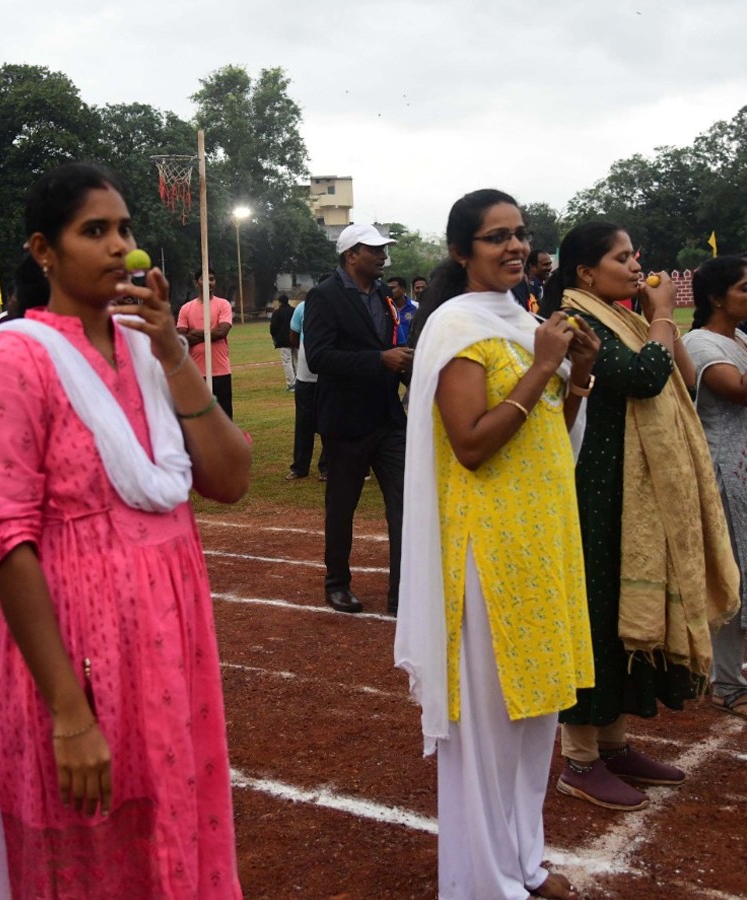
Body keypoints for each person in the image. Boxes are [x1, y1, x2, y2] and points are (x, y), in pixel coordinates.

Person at [0, 162, 250, 898]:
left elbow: (229, 480)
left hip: (170, 640)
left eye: (124, 229)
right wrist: (70, 713)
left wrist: (176, 355)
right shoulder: (13, 360)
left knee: (173, 823)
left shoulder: (147, 350)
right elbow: (7, 543)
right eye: (95, 231)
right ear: (43, 250)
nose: (120, 247)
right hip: (77, 651)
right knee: (88, 847)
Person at [396, 189, 596, 900]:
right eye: (495, 237)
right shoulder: (456, 327)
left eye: (520, 235)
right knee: (487, 728)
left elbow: (552, 439)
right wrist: (544, 366)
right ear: (461, 252)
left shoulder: (525, 321)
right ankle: (485, 881)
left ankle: (524, 862)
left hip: (539, 540)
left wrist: (580, 379)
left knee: (536, 713)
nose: (514, 246)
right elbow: (472, 446)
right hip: (484, 549)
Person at [544, 222, 739, 811]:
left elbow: (674, 376)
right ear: (585, 273)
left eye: (635, 256)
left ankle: (613, 744)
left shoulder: (617, 316)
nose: (636, 266)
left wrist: (657, 320)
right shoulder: (576, 322)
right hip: (594, 489)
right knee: (595, 615)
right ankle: (579, 759)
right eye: (622, 258)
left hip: (629, 491)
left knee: (623, 612)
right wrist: (661, 314)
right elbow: (643, 377)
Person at [303, 223, 410, 615]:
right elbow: (319, 357)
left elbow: (384, 345)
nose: (383, 257)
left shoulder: (383, 294)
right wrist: (378, 360)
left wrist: (401, 360)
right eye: (375, 250)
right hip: (346, 421)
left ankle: (403, 592)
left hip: (387, 417)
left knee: (404, 505)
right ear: (351, 255)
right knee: (342, 506)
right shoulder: (324, 296)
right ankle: (337, 584)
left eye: (384, 250)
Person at [681, 255, 747, 718]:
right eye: (745, 288)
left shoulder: (739, 338)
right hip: (722, 473)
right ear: (717, 298)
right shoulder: (699, 344)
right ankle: (726, 682)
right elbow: (739, 389)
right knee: (731, 576)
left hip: (743, 469)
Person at [176, 269, 234, 418]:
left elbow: (222, 332)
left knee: (224, 416)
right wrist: (209, 334)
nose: (209, 282)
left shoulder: (223, 305)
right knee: (200, 417)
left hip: (220, 371)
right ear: (196, 283)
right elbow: (182, 340)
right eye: (204, 279)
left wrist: (195, 333)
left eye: (212, 279)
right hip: (196, 372)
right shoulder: (186, 308)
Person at [286, 297, 327, 481]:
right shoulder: (302, 308)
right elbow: (293, 337)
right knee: (303, 424)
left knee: (329, 423)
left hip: (329, 377)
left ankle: (326, 467)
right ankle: (300, 467)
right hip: (305, 377)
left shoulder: (338, 308)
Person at [270, 293, 296, 390]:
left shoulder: (277, 313)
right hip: (295, 339)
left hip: (283, 341)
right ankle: (298, 382)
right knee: (296, 361)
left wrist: (274, 337)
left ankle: (291, 384)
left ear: (280, 302)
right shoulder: (294, 310)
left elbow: (273, 327)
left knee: (287, 361)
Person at [387, 275, 418, 345]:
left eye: (392, 288)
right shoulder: (386, 308)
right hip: (393, 351)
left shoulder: (416, 307)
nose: (389, 291)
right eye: (388, 288)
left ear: (403, 290)